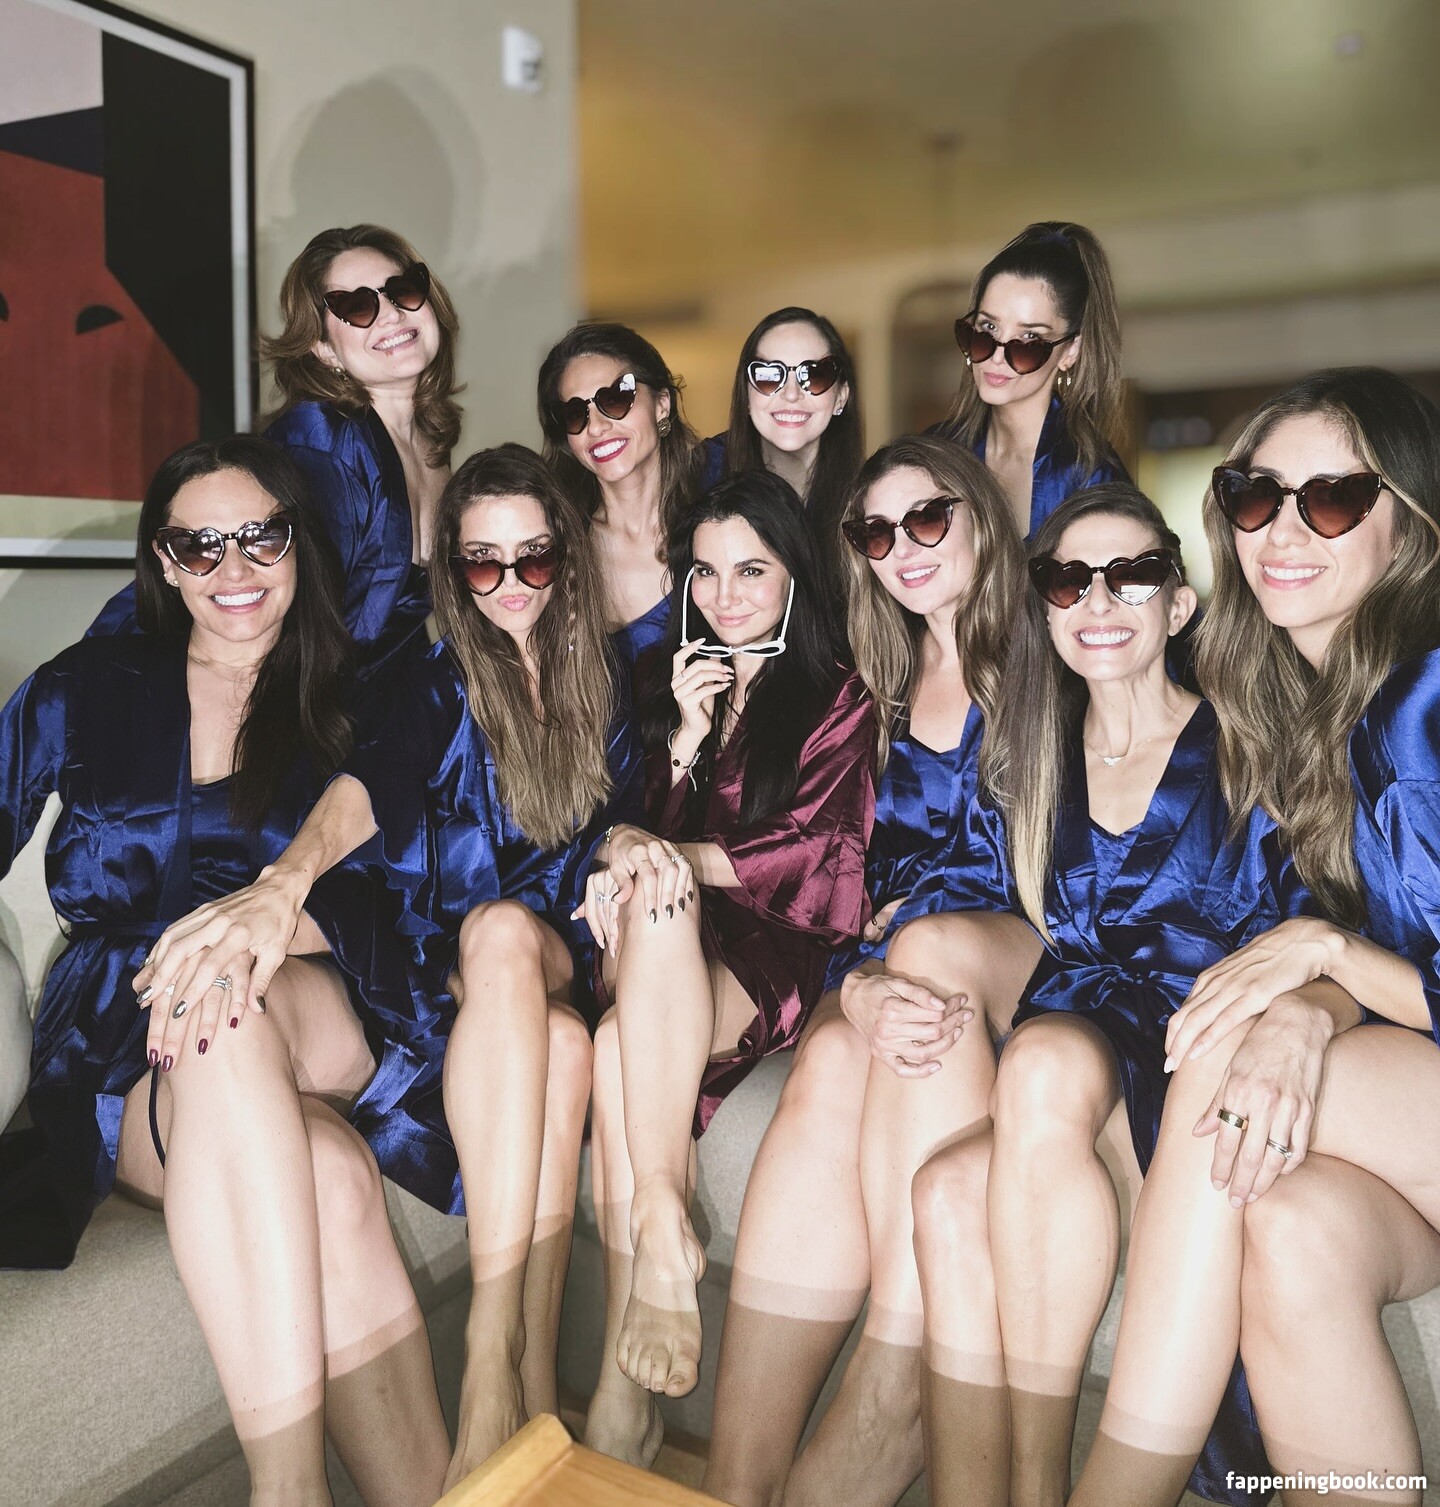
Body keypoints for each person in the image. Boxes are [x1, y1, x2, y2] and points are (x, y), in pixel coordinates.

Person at [137, 444, 643, 1487]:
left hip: (566, 940)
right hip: (466, 980)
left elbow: (643, 818)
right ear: (453, 569)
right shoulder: (431, 679)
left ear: (566, 558)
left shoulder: (612, 678)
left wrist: (636, 841)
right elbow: (366, 785)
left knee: (509, 938)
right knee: (548, 1038)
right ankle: (528, 1394)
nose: (509, 584)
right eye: (482, 562)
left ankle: (491, 1346)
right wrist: (284, 883)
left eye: (534, 558)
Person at [0, 436, 450, 1507]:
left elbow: (421, 893)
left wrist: (261, 924)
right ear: (162, 562)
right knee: (327, 1174)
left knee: (224, 1004)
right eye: (199, 546)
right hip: (122, 1033)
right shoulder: (86, 689)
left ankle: (286, 1491)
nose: (234, 569)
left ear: (299, 542)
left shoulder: (360, 695)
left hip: (318, 1000)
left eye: (261, 537)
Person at [1066, 368, 1440, 1507]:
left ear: (1408, 521)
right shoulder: (1302, 704)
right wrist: (1314, 999)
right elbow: (1370, 938)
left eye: (1331, 499)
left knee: (1219, 1052)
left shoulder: (1424, 702)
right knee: (1287, 1223)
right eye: (1255, 495)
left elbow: (1354, 947)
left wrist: (1324, 963)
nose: (1283, 530)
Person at [700, 433, 1028, 1507]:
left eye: (927, 518)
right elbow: (840, 882)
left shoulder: (1059, 642)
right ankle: (740, 1478)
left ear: (980, 515)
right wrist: (856, 982)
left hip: (1046, 946)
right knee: (838, 1053)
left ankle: (895, 1373)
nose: (903, 547)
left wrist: (898, 955)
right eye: (876, 532)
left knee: (924, 952)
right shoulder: (872, 685)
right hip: (903, 948)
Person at [574, 470, 875, 1469]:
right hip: (665, 944)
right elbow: (620, 827)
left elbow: (825, 852)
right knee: (648, 924)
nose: (724, 594)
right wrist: (687, 746)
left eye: (751, 570)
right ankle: (663, 1217)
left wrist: (669, 861)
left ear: (794, 576)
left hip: (767, 943)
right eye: (704, 572)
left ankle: (621, 1394)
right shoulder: (666, 680)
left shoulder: (836, 694)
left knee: (617, 1041)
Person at [92, 224, 461, 680]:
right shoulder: (322, 446)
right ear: (323, 349)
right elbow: (267, 621)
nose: (390, 314)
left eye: (402, 290)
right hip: (266, 693)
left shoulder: (431, 439)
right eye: (357, 306)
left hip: (363, 696)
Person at [931, 221, 1129, 537]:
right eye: (988, 329)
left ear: (1070, 351)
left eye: (1029, 339)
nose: (997, 357)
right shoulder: (936, 454)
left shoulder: (1092, 478)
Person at [538, 322, 703, 670]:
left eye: (614, 398)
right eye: (575, 413)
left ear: (662, 404)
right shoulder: (558, 549)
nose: (596, 427)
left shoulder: (721, 508)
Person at [702, 306, 862, 590]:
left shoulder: (868, 500)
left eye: (814, 375)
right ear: (746, 394)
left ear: (841, 397)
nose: (791, 394)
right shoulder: (701, 474)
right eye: (768, 375)